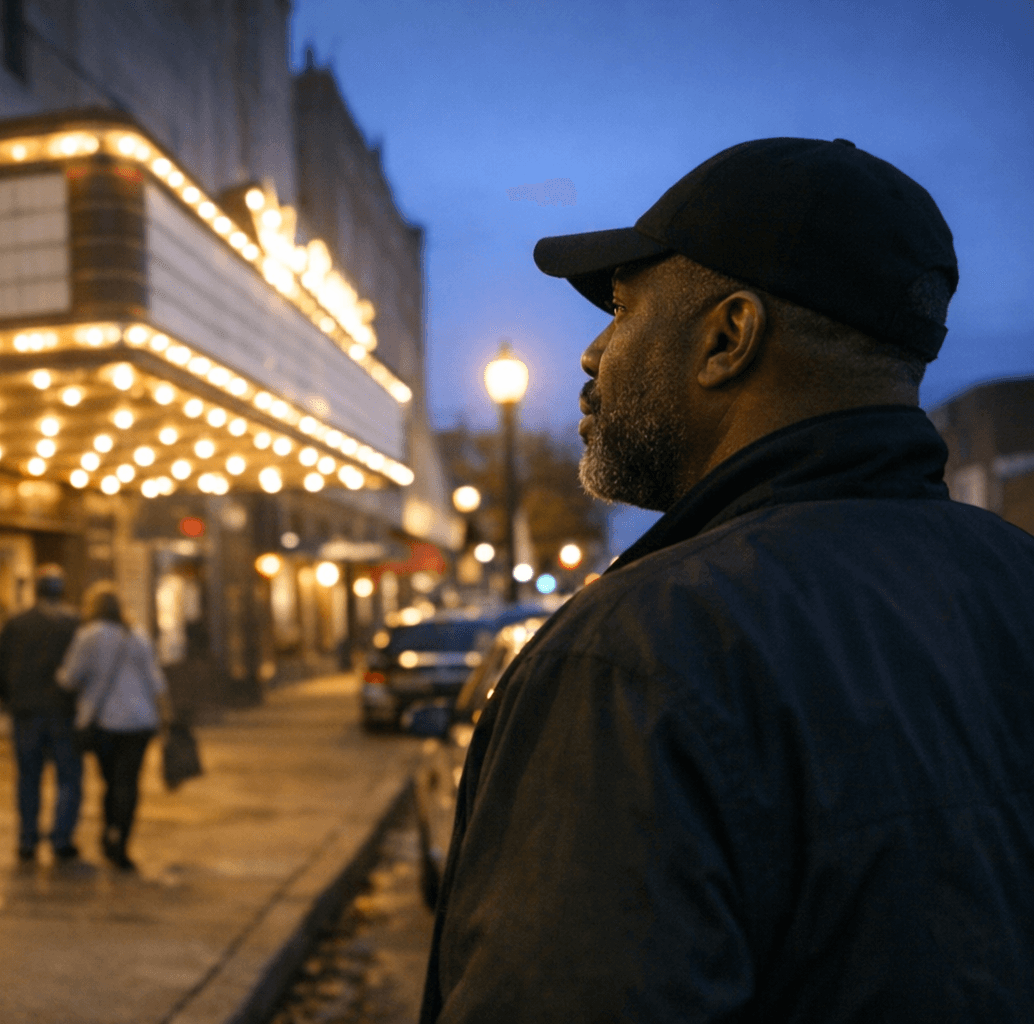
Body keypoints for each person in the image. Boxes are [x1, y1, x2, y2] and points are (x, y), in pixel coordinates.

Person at [421, 138, 1034, 1022]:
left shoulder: (637, 656)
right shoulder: (1015, 582)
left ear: (727, 337)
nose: (593, 354)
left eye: (622, 310)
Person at [58, 583, 169, 871]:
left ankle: (109, 833)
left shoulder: (88, 637)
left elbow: (69, 678)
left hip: (105, 721)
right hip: (140, 721)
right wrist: (166, 717)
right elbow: (157, 682)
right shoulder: (138, 637)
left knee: (109, 781)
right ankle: (121, 840)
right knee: (129, 782)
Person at [0, 565, 82, 864]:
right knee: (68, 778)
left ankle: (28, 839)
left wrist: (9, 698)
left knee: (29, 777)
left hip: (26, 714)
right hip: (64, 713)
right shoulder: (74, 623)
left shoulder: (16, 624)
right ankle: (61, 838)